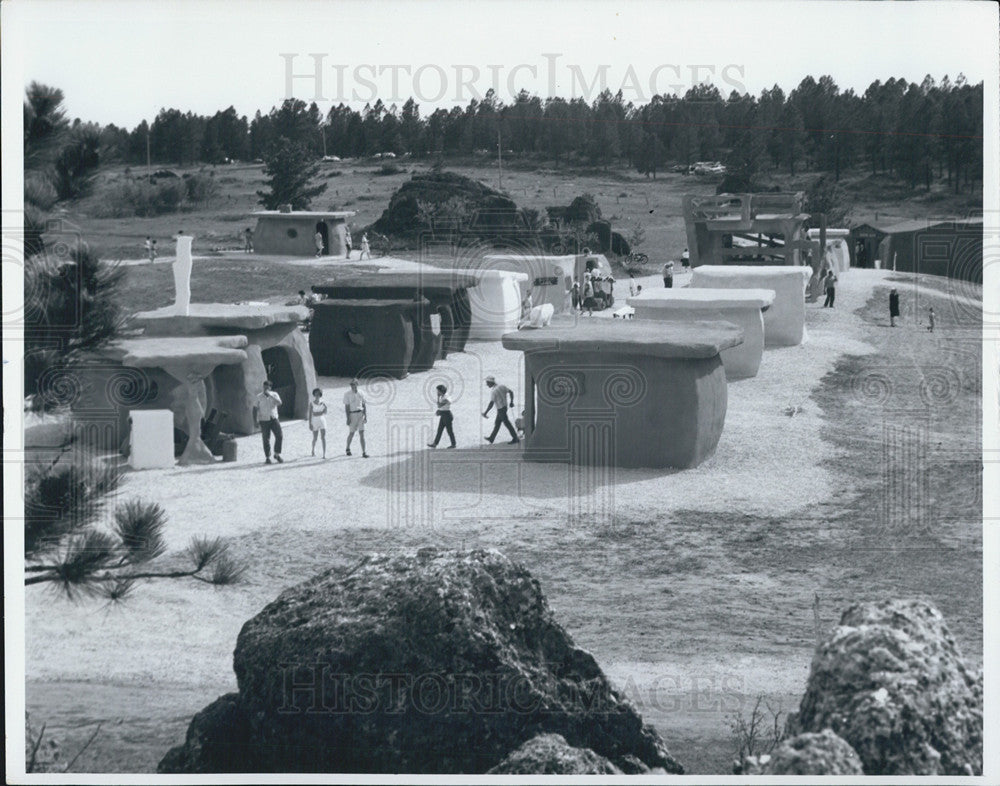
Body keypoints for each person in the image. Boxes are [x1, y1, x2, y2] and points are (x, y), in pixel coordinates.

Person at [253, 380, 283, 464]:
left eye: (267, 387)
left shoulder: (274, 395)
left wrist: (271, 395)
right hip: (264, 420)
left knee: (279, 435)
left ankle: (277, 454)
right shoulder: (259, 396)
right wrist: (255, 420)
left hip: (274, 418)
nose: (265, 388)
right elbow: (254, 409)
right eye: (264, 387)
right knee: (266, 439)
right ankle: (267, 457)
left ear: (270, 388)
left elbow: (280, 403)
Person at [483, 375, 518, 445]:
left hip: (501, 409)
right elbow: (511, 392)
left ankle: (515, 438)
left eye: (487, 383)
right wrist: (511, 402)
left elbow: (491, 403)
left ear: (490, 382)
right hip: (504, 408)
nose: (486, 384)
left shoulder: (493, 391)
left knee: (507, 424)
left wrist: (485, 412)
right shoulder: (502, 386)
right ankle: (491, 438)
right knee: (497, 424)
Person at [343, 378, 368, 457]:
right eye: (351, 384)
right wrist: (348, 418)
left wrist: (365, 416)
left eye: (354, 384)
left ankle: (364, 452)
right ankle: (347, 448)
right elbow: (347, 407)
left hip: (360, 414)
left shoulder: (361, 393)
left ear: (357, 384)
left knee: (362, 433)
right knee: (352, 433)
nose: (352, 386)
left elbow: (364, 404)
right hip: (352, 414)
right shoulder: (347, 394)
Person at [427, 383, 456, 448]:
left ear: (441, 391)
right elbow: (440, 406)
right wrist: (439, 411)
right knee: (440, 430)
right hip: (444, 415)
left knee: (449, 431)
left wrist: (437, 397)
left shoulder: (445, 397)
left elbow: (439, 405)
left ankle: (453, 444)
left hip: (446, 415)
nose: (437, 392)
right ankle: (435, 443)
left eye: (438, 391)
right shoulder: (444, 396)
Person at [309, 388, 328, 458]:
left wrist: (324, 409)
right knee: (315, 438)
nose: (317, 395)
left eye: (318, 394)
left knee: (323, 437)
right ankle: (313, 450)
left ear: (320, 395)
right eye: (316, 394)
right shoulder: (311, 403)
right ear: (314, 394)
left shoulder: (323, 402)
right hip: (314, 421)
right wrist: (310, 424)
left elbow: (325, 412)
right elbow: (311, 414)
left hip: (322, 420)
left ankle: (324, 454)